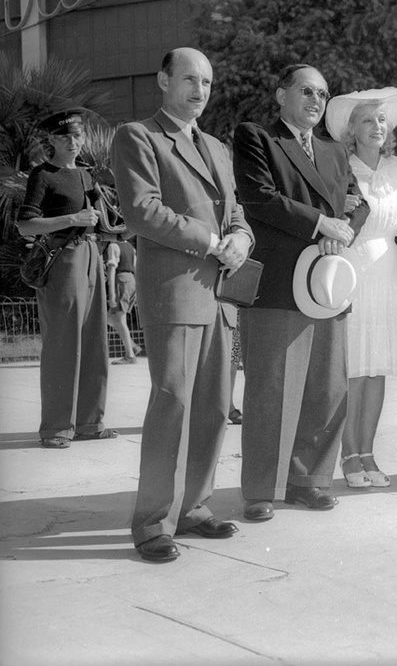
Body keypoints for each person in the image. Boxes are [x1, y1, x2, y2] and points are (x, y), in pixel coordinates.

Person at [112, 48, 253, 562]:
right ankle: (153, 523)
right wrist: (213, 241)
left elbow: (237, 212)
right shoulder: (139, 136)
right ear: (162, 80)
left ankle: (194, 506)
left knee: (214, 406)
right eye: (190, 79)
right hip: (175, 292)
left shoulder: (216, 146)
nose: (200, 90)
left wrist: (241, 240)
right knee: (173, 403)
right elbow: (142, 209)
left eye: (207, 82)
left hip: (221, 296)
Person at [233, 63, 370, 519]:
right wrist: (321, 223)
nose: (316, 101)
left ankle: (309, 480)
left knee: (325, 388)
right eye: (307, 91)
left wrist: (341, 230)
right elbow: (259, 197)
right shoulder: (257, 137)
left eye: (323, 95)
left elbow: (360, 204)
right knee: (271, 390)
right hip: (277, 283)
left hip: (327, 281)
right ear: (281, 95)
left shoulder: (334, 150)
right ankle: (261, 489)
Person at [324, 87, 397, 489]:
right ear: (352, 130)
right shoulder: (339, 166)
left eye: (381, 119)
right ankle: (348, 455)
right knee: (353, 368)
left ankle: (368, 453)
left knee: (377, 368)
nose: (376, 126)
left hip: (389, 271)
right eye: (366, 120)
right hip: (352, 268)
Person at [18, 108, 115, 449]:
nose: (73, 142)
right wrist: (73, 218)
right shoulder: (43, 175)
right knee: (62, 343)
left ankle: (90, 423)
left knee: (95, 341)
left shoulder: (87, 175)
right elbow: (25, 225)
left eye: (77, 136)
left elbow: (102, 220)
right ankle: (57, 428)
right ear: (52, 140)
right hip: (62, 259)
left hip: (91, 255)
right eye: (65, 137)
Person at [105, 236, 142, 364]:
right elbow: (136, 268)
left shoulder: (113, 246)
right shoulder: (131, 248)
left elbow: (112, 269)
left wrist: (111, 294)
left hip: (121, 280)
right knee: (111, 318)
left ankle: (130, 355)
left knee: (119, 318)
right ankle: (132, 346)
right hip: (131, 280)